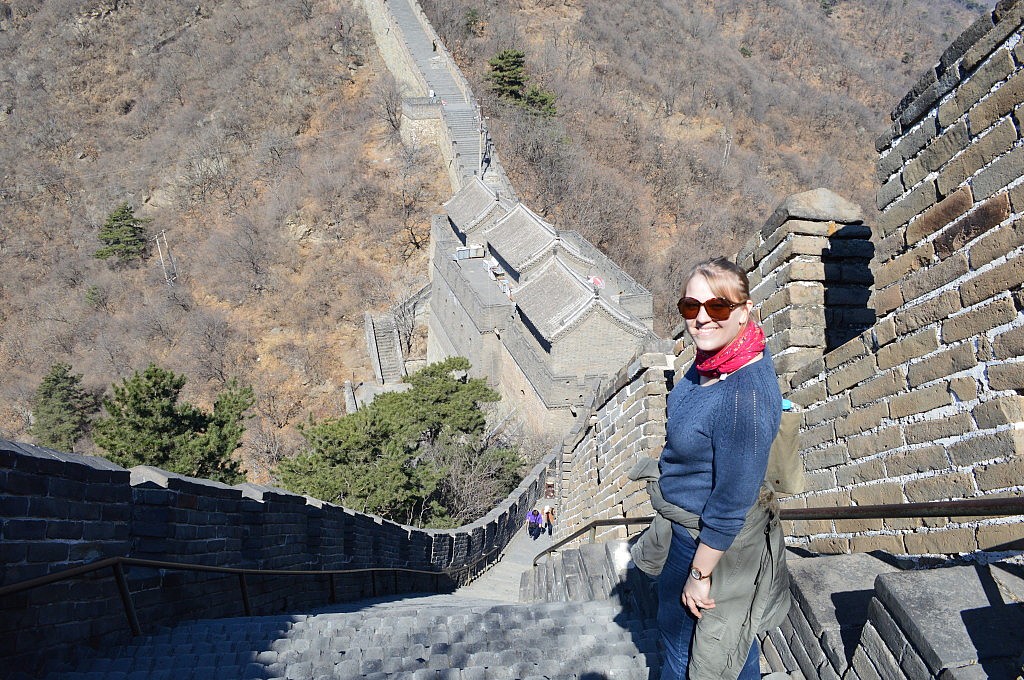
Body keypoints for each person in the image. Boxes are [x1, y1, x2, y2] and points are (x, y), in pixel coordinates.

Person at [629, 256, 790, 680]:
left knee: (686, 657)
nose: (701, 318)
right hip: (686, 529)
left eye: (718, 306)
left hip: (706, 545)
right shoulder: (713, 359)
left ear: (745, 310)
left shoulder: (743, 395)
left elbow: (732, 502)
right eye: (691, 306)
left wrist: (700, 574)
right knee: (727, 648)